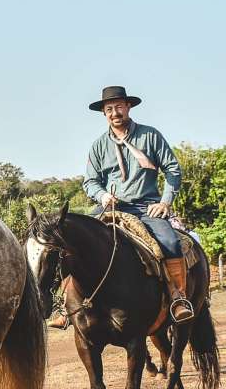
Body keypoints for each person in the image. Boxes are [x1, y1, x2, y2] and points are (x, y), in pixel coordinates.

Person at [80, 84, 193, 323]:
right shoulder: (99, 146)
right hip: (111, 207)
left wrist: (165, 202)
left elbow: (172, 170)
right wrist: (102, 196)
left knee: (170, 242)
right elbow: (90, 181)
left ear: (128, 106)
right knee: (79, 241)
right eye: (109, 109)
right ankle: (71, 304)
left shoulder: (150, 135)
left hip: (146, 206)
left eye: (119, 106)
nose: (114, 113)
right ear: (104, 113)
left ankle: (177, 296)